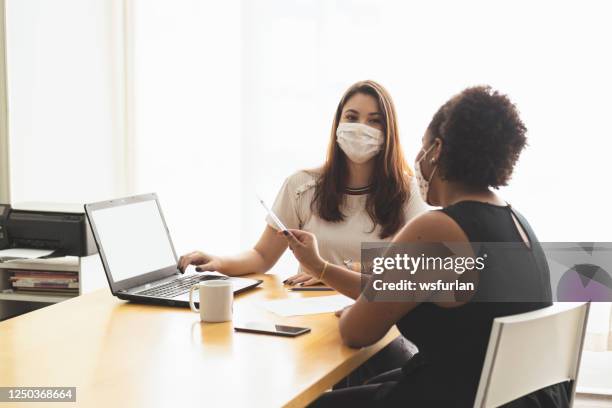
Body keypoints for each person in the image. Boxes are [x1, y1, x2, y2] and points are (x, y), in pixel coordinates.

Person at [280, 86, 570, 407]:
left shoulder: (437, 229)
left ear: (436, 150)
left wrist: (358, 312)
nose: (417, 159)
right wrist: (322, 267)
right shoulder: (514, 222)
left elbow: (356, 332)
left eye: (421, 146)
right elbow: (397, 290)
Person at [178, 80, 427, 384]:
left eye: (374, 121)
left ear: (389, 132)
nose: (360, 127)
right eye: (351, 117)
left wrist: (330, 269)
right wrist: (217, 262)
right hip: (311, 324)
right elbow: (261, 256)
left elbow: (412, 268)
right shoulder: (302, 186)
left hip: (376, 329)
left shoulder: (407, 191)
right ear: (337, 124)